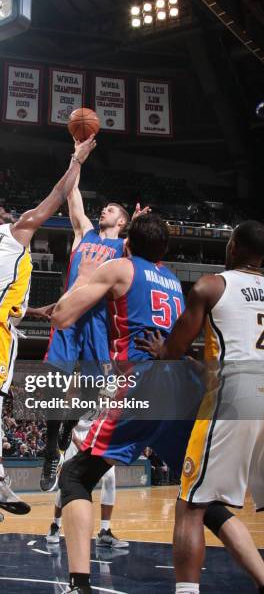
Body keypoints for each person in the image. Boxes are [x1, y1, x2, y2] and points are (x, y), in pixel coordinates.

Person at [0, 136, 97, 523]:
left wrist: (35, 310)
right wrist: (76, 159)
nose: (9, 213)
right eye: (2, 212)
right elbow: (57, 194)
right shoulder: (13, 232)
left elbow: (2, 293)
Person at [51, 214, 190, 593]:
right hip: (178, 388)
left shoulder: (122, 268)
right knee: (197, 496)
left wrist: (83, 277)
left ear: (127, 244)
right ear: (164, 251)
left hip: (139, 385)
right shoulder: (175, 282)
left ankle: (79, 584)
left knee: (75, 476)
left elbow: (63, 317)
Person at [135, 220, 264, 594]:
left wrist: (165, 350)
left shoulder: (212, 285)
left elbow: (173, 350)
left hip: (234, 398)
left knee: (191, 505)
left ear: (234, 247)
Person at [41, 172, 149, 491]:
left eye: (113, 209)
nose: (105, 211)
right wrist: (77, 156)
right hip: (72, 310)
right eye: (105, 208)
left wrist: (139, 226)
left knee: (91, 389)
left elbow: (142, 255)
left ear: (123, 221)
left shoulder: (125, 246)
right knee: (55, 377)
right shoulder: (84, 233)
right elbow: (71, 192)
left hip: (101, 320)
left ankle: (68, 427)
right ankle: (50, 449)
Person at [46, 417, 129, 548]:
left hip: (97, 435)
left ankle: (104, 532)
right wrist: (77, 441)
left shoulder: (111, 398)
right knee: (68, 480)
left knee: (110, 478)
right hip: (74, 435)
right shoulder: (80, 397)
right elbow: (65, 418)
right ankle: (56, 525)